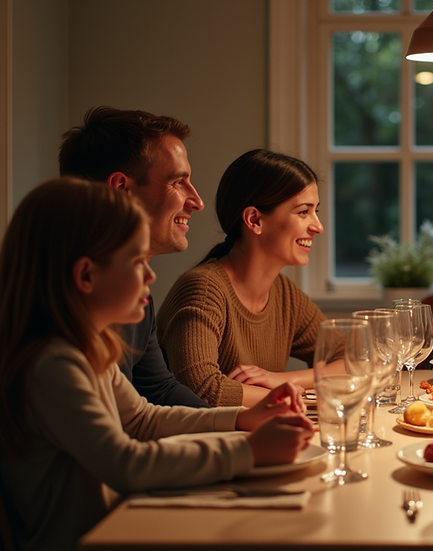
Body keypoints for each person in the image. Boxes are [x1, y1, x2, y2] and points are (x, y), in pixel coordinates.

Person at [0, 179, 315, 551]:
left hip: (120, 526)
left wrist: (240, 419)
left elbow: (142, 419)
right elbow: (124, 463)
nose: (151, 276)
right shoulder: (53, 364)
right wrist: (249, 451)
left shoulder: (88, 348)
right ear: (86, 276)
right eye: (136, 262)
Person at [157, 149, 345, 407]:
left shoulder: (284, 293)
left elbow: (355, 359)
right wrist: (292, 395)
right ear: (254, 220)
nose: (318, 226)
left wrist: (282, 381)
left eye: (316, 211)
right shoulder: (202, 290)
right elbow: (202, 389)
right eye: (303, 212)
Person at [58, 106, 209, 408]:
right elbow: (115, 449)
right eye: (178, 182)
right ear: (121, 189)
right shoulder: (64, 303)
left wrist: (242, 427)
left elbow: (160, 391)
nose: (197, 201)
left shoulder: (134, 294)